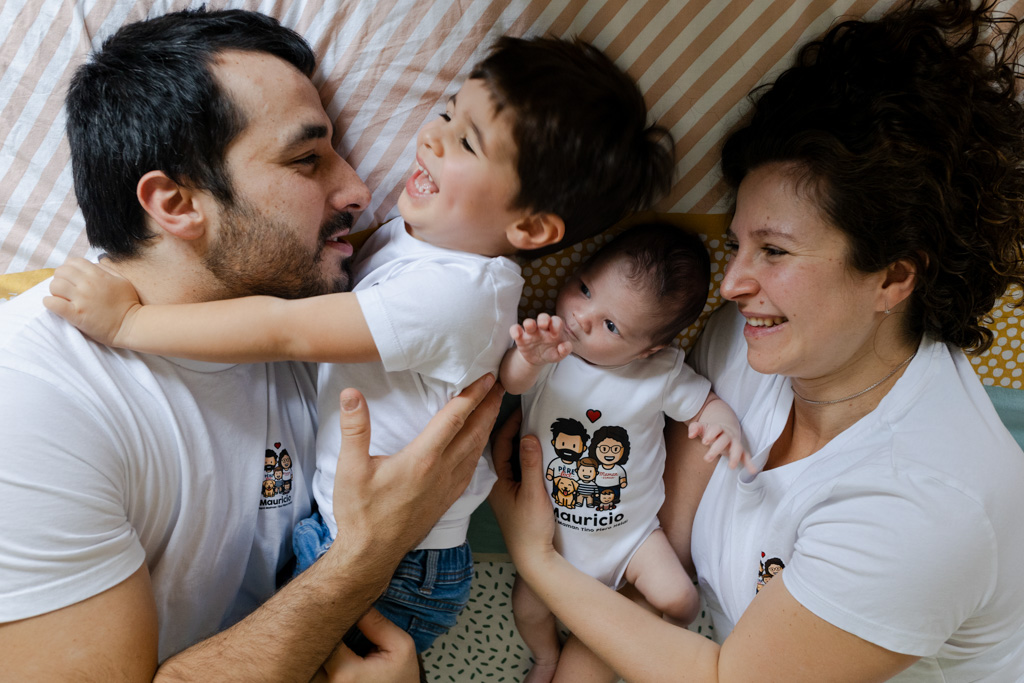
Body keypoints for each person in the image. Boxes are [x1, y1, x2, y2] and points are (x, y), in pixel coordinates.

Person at [44, 36, 674, 653]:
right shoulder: (422, 244)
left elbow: (285, 330)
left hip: (400, 564)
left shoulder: (456, 293)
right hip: (363, 533)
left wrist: (129, 326)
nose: (430, 136)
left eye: (466, 143)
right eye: (448, 111)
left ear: (531, 226)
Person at [489, 0, 1024, 680]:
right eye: (737, 243)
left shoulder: (926, 507)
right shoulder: (744, 348)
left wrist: (534, 556)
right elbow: (664, 557)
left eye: (774, 251)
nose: (734, 282)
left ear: (892, 277)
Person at [0, 9, 506, 681]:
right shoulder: (35, 392)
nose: (359, 190)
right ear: (176, 203)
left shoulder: (325, 328)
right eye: (307, 158)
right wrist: (367, 557)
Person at [498, 223, 749, 682]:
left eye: (611, 325)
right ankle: (547, 659)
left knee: (682, 601)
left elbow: (704, 405)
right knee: (529, 609)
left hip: (633, 539)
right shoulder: (553, 353)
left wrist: (722, 425)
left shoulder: (660, 374)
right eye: (584, 288)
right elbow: (512, 383)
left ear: (647, 349)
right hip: (553, 539)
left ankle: (619, 632)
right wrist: (528, 356)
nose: (582, 317)